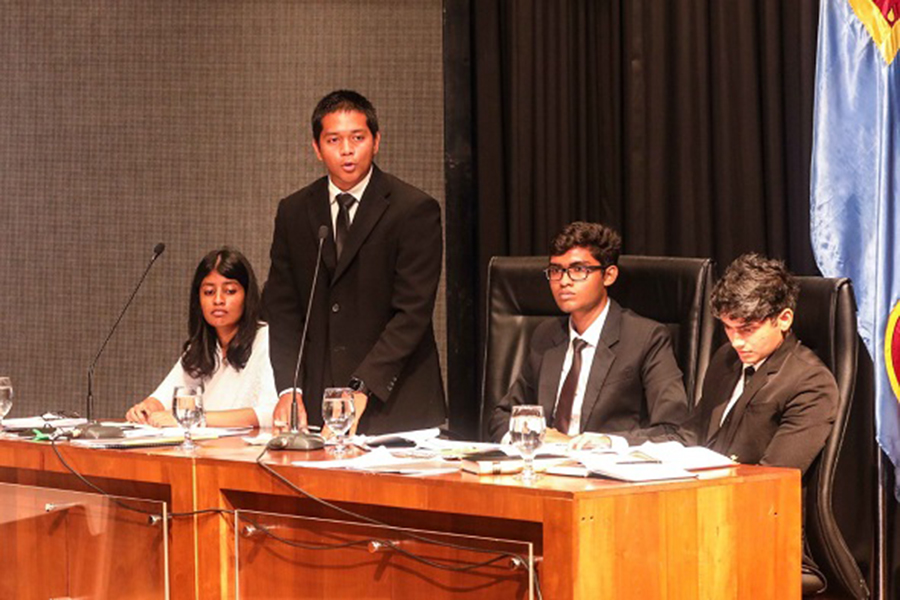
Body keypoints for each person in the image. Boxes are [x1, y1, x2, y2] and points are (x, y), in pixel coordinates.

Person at [263, 89, 446, 436]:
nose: (346, 150)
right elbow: (283, 308)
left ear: (376, 142)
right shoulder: (294, 211)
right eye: (334, 140)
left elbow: (412, 313)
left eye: (357, 138)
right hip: (318, 406)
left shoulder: (413, 209)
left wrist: (363, 386)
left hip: (396, 407)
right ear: (316, 148)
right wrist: (290, 389)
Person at [488, 221, 689, 445]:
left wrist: (608, 443)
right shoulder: (546, 335)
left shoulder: (646, 338)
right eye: (556, 271)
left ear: (608, 276)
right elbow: (503, 416)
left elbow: (673, 428)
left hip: (607, 472)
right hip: (544, 469)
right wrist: (536, 437)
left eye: (578, 270)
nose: (564, 281)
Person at [683, 253, 836, 473]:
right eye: (728, 328)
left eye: (747, 330)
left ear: (784, 319)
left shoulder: (811, 383)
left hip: (754, 499)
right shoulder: (725, 358)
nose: (736, 342)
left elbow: (776, 475)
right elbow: (692, 431)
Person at [126, 247, 278, 428]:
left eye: (229, 291)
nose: (218, 300)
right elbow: (165, 397)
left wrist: (198, 418)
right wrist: (146, 409)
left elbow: (272, 413)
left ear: (247, 296)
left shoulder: (267, 340)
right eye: (209, 292)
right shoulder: (201, 347)